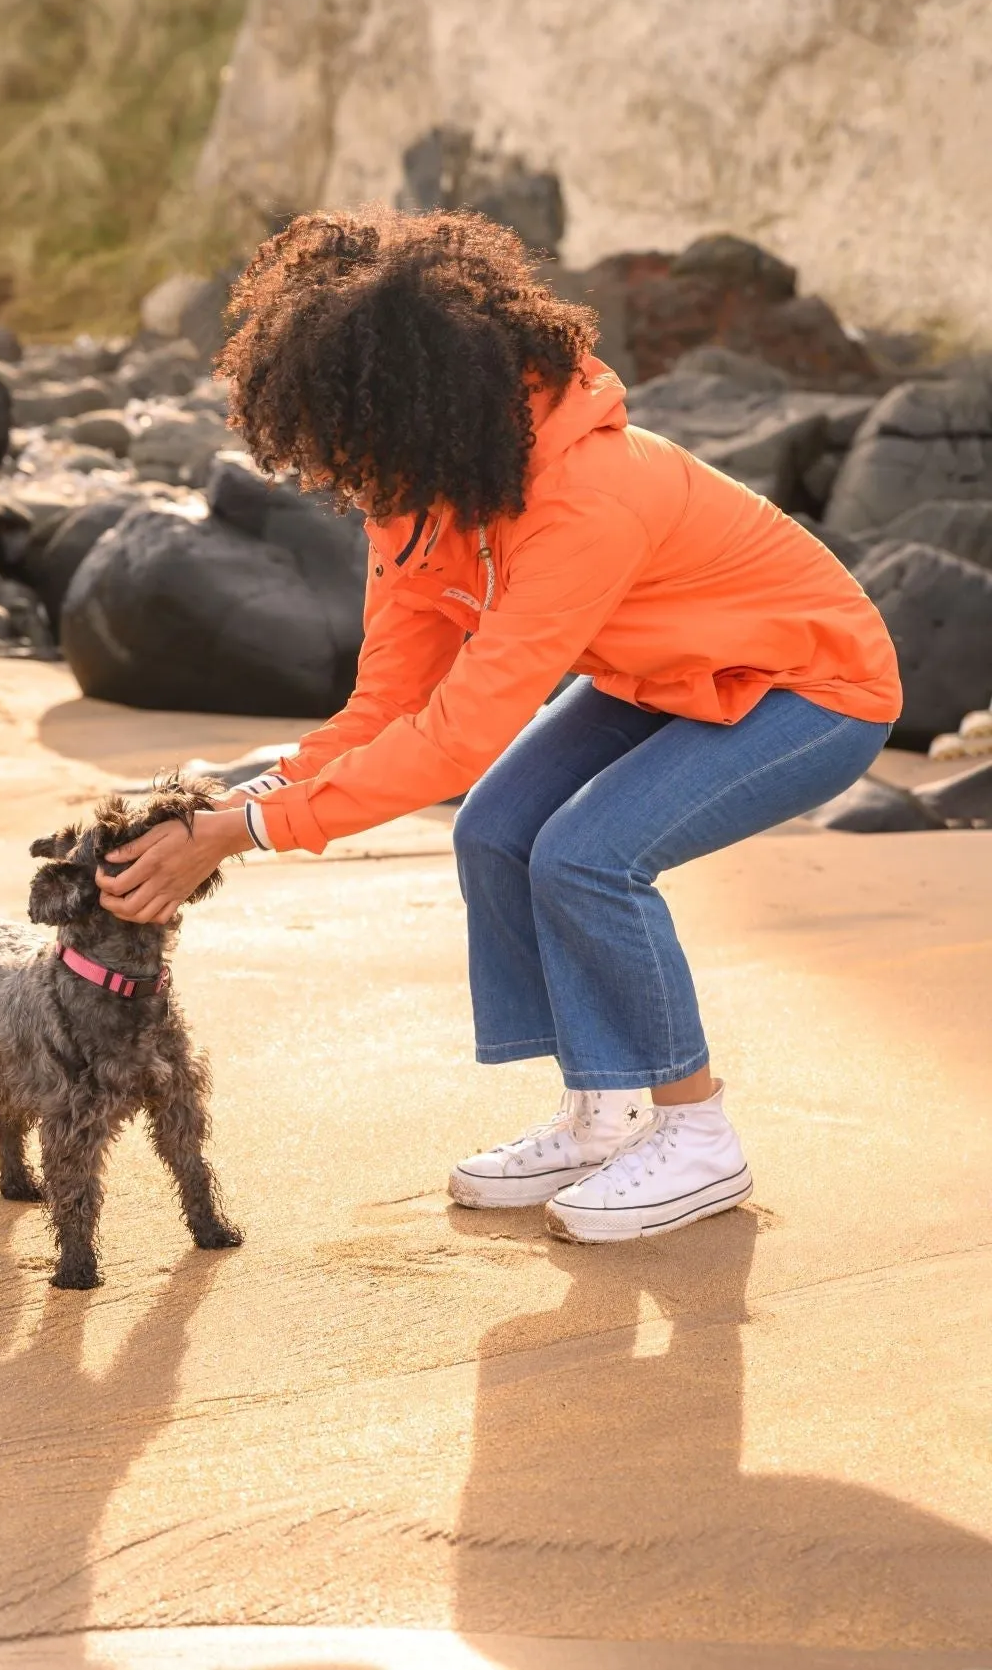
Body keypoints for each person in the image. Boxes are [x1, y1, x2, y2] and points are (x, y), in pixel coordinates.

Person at [97, 208, 900, 1244]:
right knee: (494, 830)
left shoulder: (584, 500)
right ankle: (602, 1111)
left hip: (814, 685)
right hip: (663, 677)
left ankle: (699, 1135)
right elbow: (387, 710)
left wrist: (245, 835)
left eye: (351, 443)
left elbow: (458, 737)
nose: (341, 474)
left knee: (585, 856)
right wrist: (239, 798)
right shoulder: (415, 495)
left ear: (422, 409)